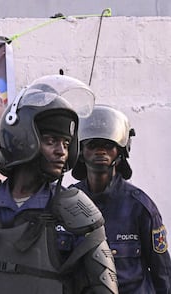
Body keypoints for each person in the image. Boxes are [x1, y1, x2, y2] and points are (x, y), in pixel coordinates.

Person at [0, 75, 119, 294]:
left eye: (65, 143)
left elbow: (103, 288)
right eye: (51, 141)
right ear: (21, 138)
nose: (61, 151)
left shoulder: (75, 210)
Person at [71, 104, 171, 293]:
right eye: (92, 145)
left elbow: (162, 273)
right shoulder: (66, 203)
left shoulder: (140, 206)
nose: (101, 151)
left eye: (108, 145)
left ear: (121, 152)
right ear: (81, 152)